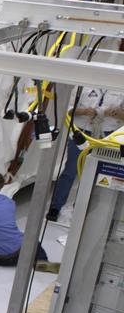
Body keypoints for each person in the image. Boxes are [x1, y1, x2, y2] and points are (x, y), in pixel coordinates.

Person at [48, 87, 124, 222]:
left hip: (106, 135)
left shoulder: (120, 89)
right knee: (70, 170)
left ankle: (81, 209)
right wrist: (84, 111)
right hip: (80, 132)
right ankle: (55, 207)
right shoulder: (82, 86)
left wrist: (115, 113)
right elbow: (67, 109)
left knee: (95, 172)